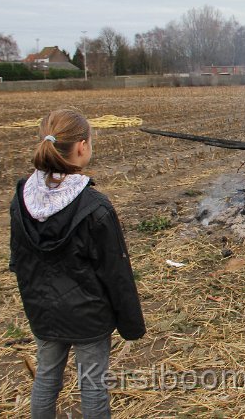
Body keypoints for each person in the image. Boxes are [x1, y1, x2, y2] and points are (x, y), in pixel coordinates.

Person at [9, 109, 145, 419]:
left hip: (43, 312)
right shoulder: (95, 206)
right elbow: (116, 273)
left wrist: (37, 302)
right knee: (93, 386)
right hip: (89, 317)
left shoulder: (21, 198)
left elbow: (18, 261)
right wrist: (132, 325)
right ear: (82, 146)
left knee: (45, 379)